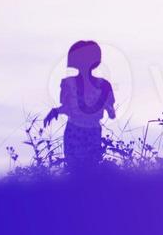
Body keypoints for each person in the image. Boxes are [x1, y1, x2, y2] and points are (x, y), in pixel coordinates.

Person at [43, 40, 116, 172]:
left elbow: (112, 114)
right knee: (75, 168)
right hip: (74, 130)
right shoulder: (68, 83)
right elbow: (68, 107)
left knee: (90, 169)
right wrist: (56, 111)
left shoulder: (104, 85)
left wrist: (105, 104)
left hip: (91, 131)